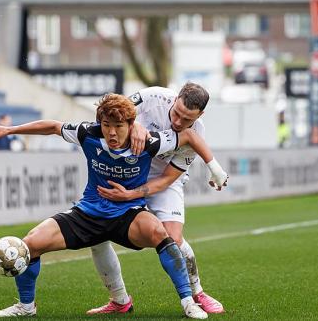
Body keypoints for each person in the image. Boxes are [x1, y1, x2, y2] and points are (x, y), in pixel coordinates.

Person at [0, 93, 218, 319]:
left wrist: (214, 168)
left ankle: (188, 301)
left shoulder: (148, 142)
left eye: (118, 126)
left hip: (129, 214)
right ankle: (26, 306)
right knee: (30, 243)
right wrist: (10, 130)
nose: (111, 133)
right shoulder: (88, 133)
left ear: (132, 125)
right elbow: (53, 126)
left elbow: (189, 137)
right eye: (106, 125)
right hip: (89, 212)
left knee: (161, 234)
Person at [87, 83, 228, 315]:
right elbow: (112, 112)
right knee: (96, 232)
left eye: (187, 119)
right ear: (175, 99)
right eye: (177, 113)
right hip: (124, 171)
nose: (178, 122)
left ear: (200, 115)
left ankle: (197, 292)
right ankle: (119, 300)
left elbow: (165, 180)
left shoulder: (196, 135)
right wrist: (136, 128)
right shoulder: (151, 97)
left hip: (161, 179)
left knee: (173, 239)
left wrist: (131, 195)